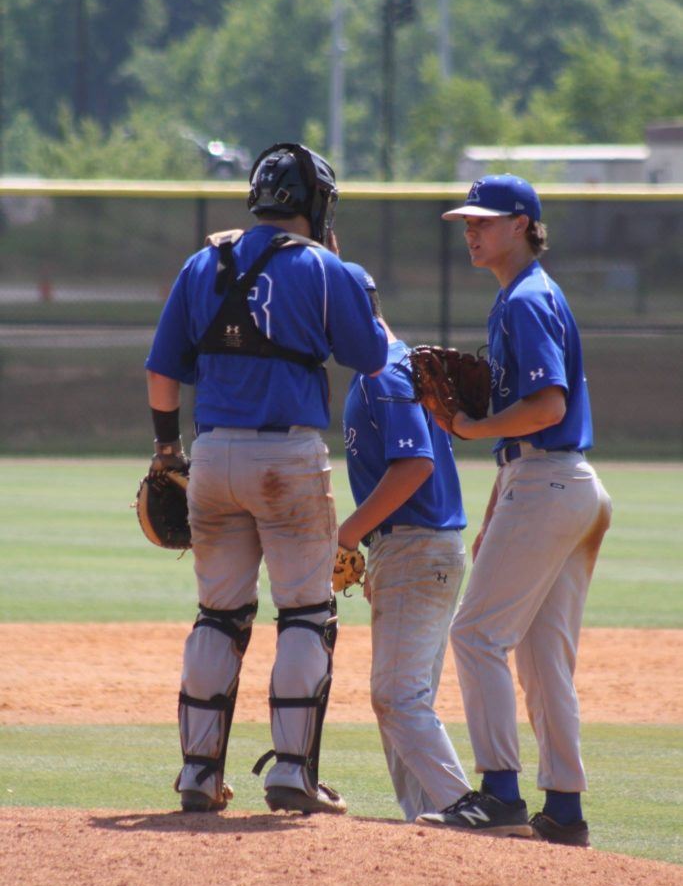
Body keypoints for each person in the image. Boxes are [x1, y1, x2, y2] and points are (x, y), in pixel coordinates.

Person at [144, 142, 388, 816]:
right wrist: (343, 281)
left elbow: (162, 374)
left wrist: (167, 453)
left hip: (213, 455)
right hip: (287, 461)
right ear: (315, 205)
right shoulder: (320, 265)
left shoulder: (203, 262)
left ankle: (197, 776)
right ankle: (291, 774)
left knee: (217, 617)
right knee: (306, 613)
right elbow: (369, 357)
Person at [417, 174, 612, 845]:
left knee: (474, 636)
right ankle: (563, 806)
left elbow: (548, 407)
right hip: (559, 485)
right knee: (539, 660)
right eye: (467, 221)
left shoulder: (525, 300)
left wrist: (470, 429)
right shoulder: (523, 296)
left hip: (549, 482)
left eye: (485, 221)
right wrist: (500, 494)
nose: (471, 230)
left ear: (524, 224)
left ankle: (499, 791)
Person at [338, 261, 472, 822]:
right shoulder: (386, 366)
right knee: (399, 699)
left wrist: (348, 533)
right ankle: (428, 822)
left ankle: (465, 808)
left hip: (418, 547)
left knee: (398, 698)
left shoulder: (384, 374)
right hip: (415, 549)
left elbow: (414, 465)